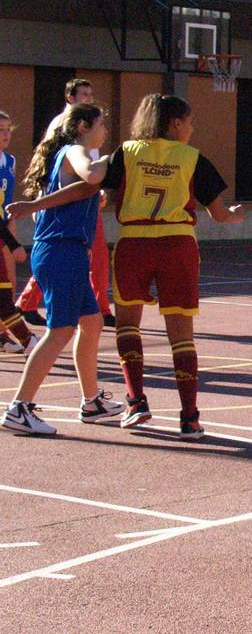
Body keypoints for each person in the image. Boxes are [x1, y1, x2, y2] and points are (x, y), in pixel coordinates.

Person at [8, 93, 244, 441]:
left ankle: (116, 401)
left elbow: (83, 189)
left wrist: (41, 202)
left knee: (100, 324)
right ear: (175, 123)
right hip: (164, 244)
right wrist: (236, 216)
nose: (106, 129)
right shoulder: (183, 157)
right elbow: (88, 179)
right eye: (189, 122)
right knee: (72, 330)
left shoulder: (127, 153)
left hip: (131, 244)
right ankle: (188, 418)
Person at [1, 104, 123, 435]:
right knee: (61, 330)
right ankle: (19, 407)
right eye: (101, 123)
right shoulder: (75, 150)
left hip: (65, 249)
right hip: (60, 250)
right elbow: (94, 176)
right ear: (83, 125)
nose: (105, 130)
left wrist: (89, 195)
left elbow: (82, 188)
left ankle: (91, 401)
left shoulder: (68, 155)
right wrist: (116, 158)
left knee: (92, 321)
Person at [17, 78, 115, 328]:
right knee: (60, 331)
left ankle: (99, 308)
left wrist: (94, 189)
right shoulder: (72, 145)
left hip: (69, 237)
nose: (88, 98)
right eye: (83, 94)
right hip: (63, 240)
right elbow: (87, 175)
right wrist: (109, 162)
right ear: (71, 99)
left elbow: (83, 183)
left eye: (90, 94)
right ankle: (25, 305)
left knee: (90, 324)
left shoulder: (83, 144)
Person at [0, 110, 38, 355]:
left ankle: (3, 335)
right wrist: (13, 242)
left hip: (3, 229)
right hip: (3, 234)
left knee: (8, 287)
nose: (5, 134)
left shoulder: (9, 161)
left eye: (8, 129)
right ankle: (27, 340)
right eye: (0, 129)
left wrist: (11, 218)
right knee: (3, 293)